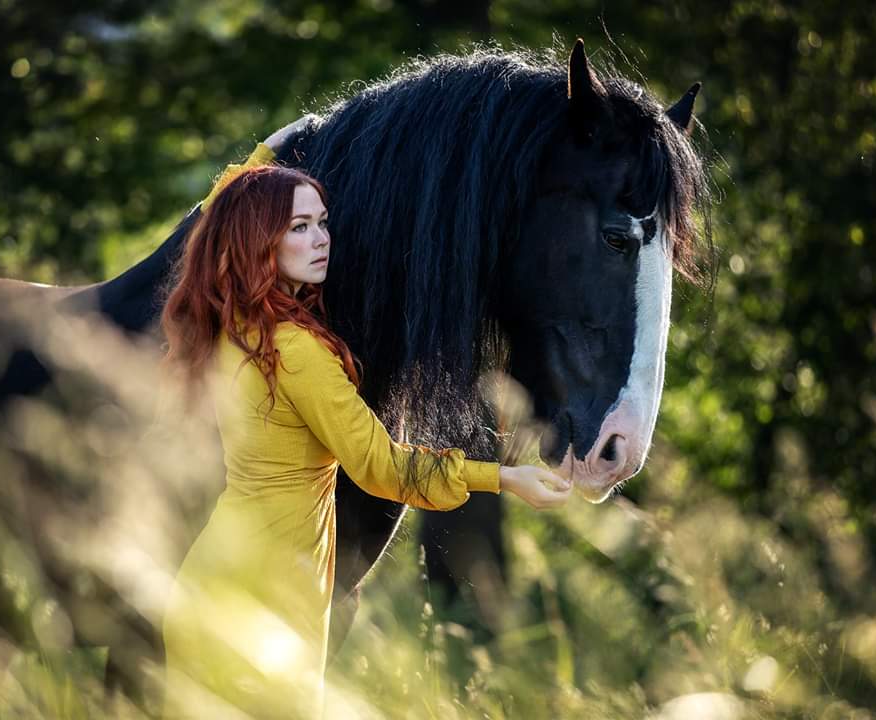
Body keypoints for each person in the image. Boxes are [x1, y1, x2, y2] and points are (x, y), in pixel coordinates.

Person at [158, 117, 571, 719]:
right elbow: (382, 468)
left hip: (216, 579)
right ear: (259, 240)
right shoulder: (294, 352)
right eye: (298, 227)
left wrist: (264, 152)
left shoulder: (232, 324)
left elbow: (216, 219)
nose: (321, 238)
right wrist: (505, 479)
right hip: (265, 593)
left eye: (322, 222)